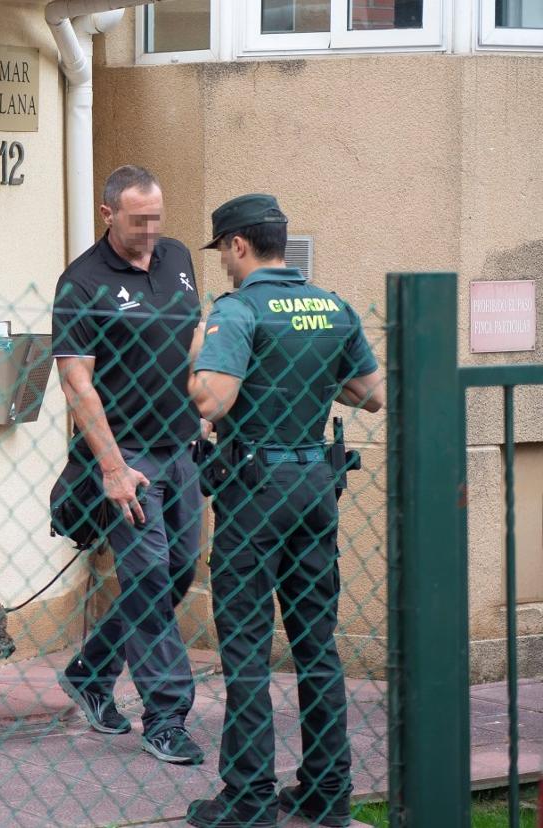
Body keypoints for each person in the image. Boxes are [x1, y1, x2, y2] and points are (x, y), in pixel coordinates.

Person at [185, 194, 385, 828]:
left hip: (255, 492)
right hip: (315, 490)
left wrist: (197, 354)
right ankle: (329, 793)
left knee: (245, 647)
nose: (222, 264)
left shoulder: (237, 310)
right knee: (315, 643)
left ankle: (248, 800)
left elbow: (213, 400)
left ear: (239, 246)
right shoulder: (332, 305)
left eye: (222, 252)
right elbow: (371, 394)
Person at [51, 165, 205, 765]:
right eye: (138, 220)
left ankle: (91, 674)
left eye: (157, 218)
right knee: (145, 576)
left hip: (182, 445)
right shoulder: (81, 282)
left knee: (178, 570)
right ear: (108, 213)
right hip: (127, 455)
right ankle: (166, 715)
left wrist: (205, 407)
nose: (150, 230)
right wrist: (112, 467)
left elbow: (190, 339)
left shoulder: (178, 258)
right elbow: (76, 382)